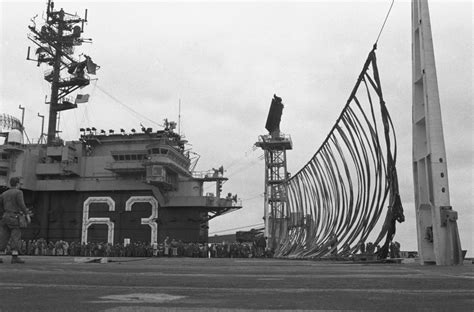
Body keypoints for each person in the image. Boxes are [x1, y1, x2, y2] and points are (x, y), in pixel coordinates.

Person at [0, 177, 30, 264]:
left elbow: (0, 206)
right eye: (20, 183)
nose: (21, 185)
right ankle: (15, 257)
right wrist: (26, 214)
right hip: (14, 217)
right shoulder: (19, 192)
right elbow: (21, 204)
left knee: (3, 237)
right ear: (17, 184)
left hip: (5, 217)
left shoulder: (4, 194)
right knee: (16, 236)